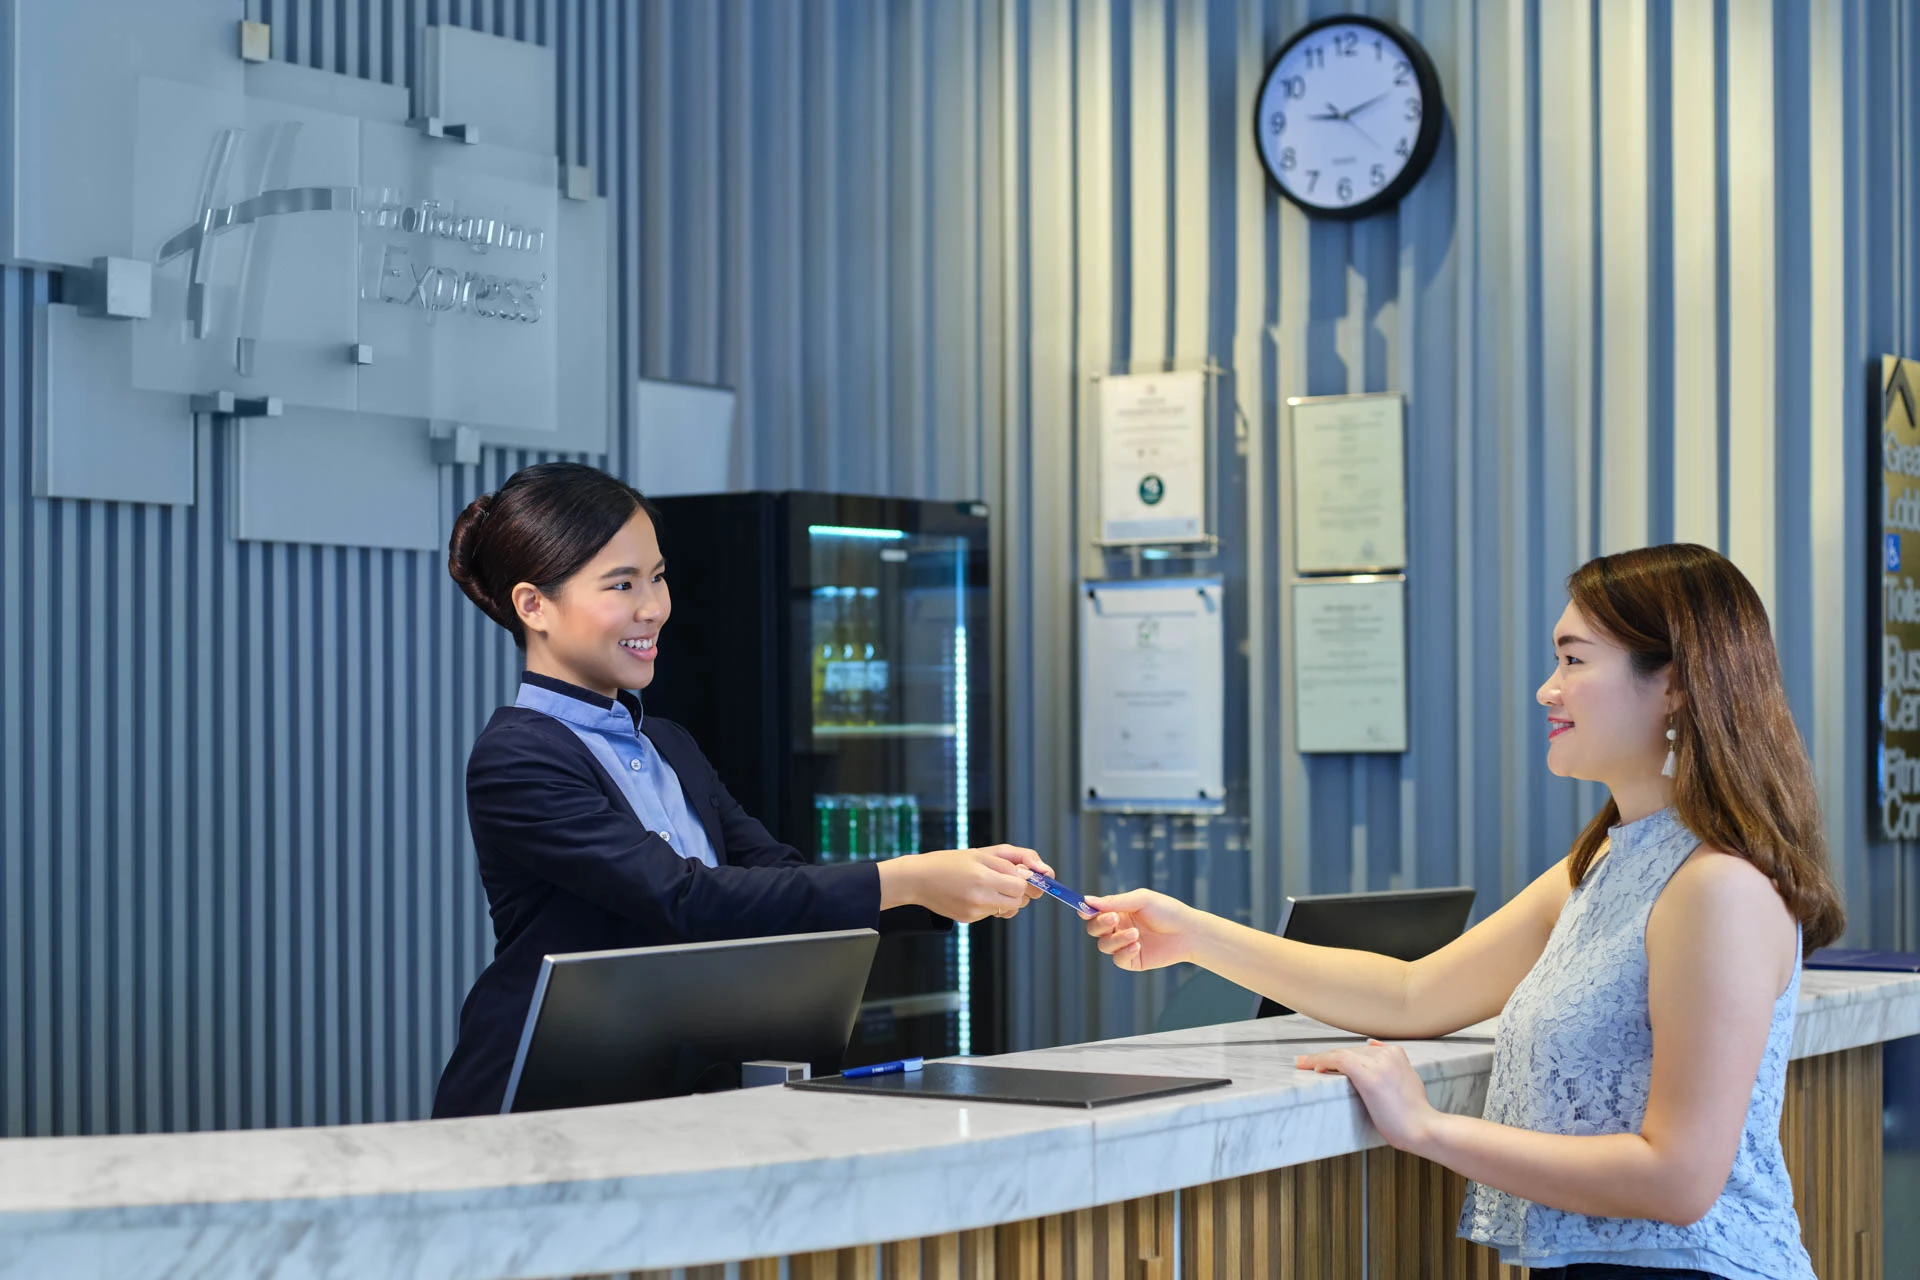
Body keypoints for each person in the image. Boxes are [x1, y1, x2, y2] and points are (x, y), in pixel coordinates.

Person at [1082, 543, 1842, 1280]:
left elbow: (1679, 1179)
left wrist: (1428, 1128)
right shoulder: (1606, 862)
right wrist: (1191, 934)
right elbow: (1411, 995)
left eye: (1574, 661)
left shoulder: (1718, 887)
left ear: (1674, 684)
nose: (1548, 689)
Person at [432, 462, 1049, 1118]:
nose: (654, 608)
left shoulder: (667, 744)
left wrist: (958, 891)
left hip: (670, 1095)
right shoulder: (519, 756)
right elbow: (685, 899)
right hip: (537, 1104)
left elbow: (778, 882)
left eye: (658, 577)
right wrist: (915, 878)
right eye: (622, 584)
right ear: (534, 606)